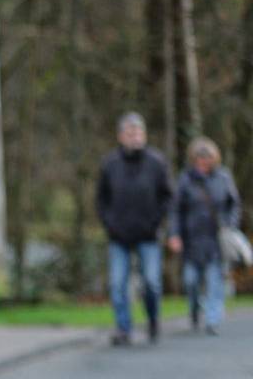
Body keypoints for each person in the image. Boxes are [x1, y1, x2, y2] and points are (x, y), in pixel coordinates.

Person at [95, 112, 174, 345]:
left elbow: (168, 197)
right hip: (118, 236)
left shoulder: (157, 163)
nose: (135, 137)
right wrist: (109, 223)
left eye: (138, 133)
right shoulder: (110, 164)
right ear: (121, 136)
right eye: (130, 133)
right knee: (118, 284)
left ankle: (152, 320)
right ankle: (124, 328)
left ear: (144, 135)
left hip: (148, 235)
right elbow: (101, 199)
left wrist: (157, 222)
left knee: (151, 283)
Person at [169, 136, 242, 335]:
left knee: (214, 281)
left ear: (214, 159)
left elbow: (234, 204)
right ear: (193, 160)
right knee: (191, 282)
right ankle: (195, 310)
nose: (203, 162)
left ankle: (212, 320)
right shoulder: (185, 179)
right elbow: (176, 209)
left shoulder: (223, 178)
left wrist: (230, 225)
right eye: (199, 159)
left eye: (207, 158)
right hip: (191, 239)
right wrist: (175, 234)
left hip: (216, 239)